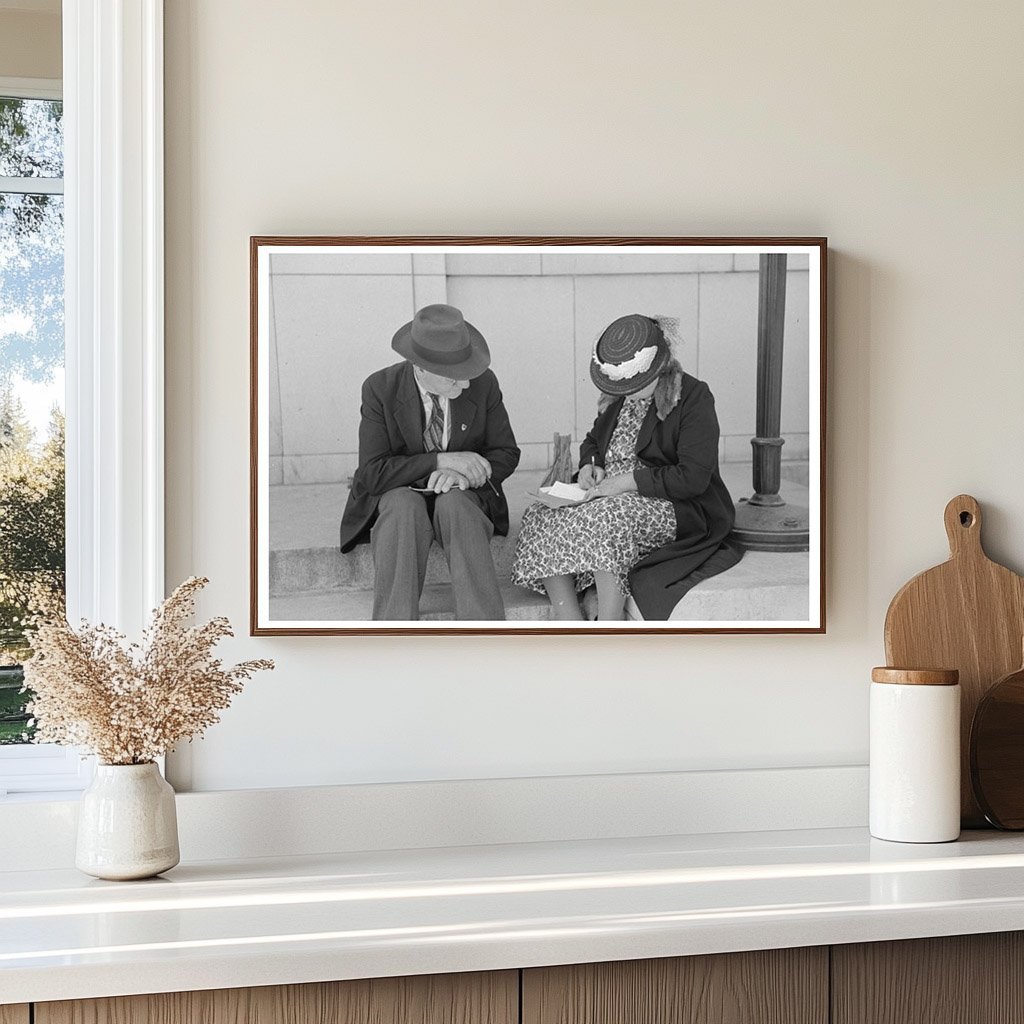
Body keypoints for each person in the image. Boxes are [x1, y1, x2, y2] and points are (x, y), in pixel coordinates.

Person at [511, 313, 742, 621]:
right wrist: (589, 468)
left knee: (609, 517)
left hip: (672, 504)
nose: (626, 392)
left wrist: (627, 482)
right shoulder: (617, 397)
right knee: (540, 514)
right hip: (609, 493)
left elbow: (694, 477)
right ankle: (571, 623)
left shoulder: (693, 397)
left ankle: (609, 624)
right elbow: (593, 442)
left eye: (636, 385)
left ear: (659, 367)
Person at [339, 304, 521, 620]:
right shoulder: (380, 389)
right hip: (400, 491)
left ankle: (486, 632)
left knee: (457, 506)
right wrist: (439, 461)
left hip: (460, 494)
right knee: (402, 508)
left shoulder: (483, 382)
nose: (465, 385)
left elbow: (505, 452)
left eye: (467, 374)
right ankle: (394, 631)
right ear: (419, 367)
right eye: (454, 379)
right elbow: (371, 473)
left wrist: (466, 475)